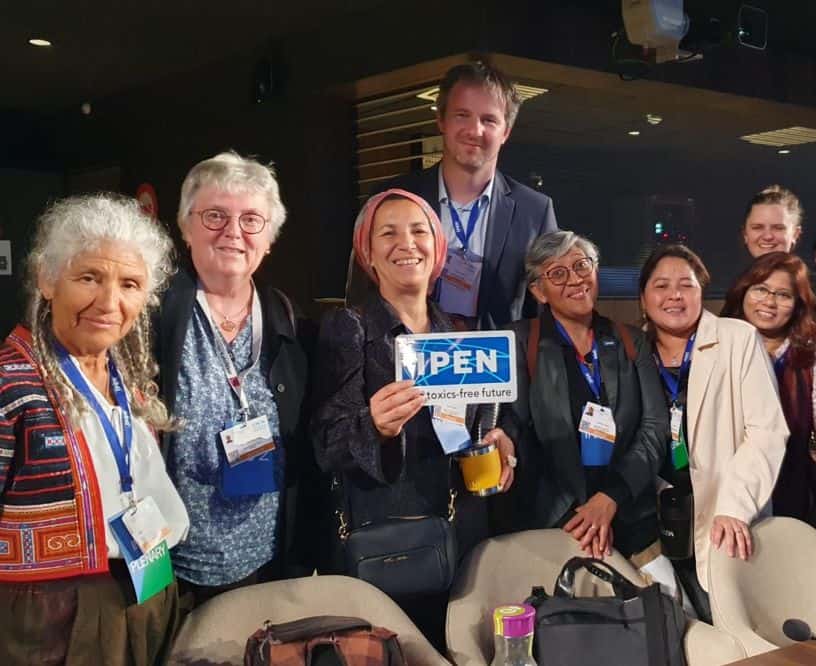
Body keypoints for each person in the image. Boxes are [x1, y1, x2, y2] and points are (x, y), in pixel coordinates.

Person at [311, 189, 516, 648]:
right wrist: (374, 425)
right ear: (368, 252)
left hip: (459, 535)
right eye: (389, 233)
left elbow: (474, 428)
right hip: (385, 541)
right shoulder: (349, 328)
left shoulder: (459, 337)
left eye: (419, 230)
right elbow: (324, 442)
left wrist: (496, 439)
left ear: (438, 248)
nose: (407, 243)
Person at [0, 195, 189, 665]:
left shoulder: (128, 372)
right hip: (51, 616)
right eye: (88, 277)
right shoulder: (9, 383)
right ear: (48, 279)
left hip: (145, 583)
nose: (109, 302)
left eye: (130, 284)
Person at [154, 151, 310, 606]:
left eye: (251, 220)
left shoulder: (288, 319)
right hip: (173, 568)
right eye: (215, 215)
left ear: (270, 237)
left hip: (268, 563)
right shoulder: (152, 316)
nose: (233, 232)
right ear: (186, 226)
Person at [640, 243, 788, 622]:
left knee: (731, 626)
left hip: (722, 513)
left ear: (702, 292)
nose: (674, 295)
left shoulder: (737, 338)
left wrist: (734, 508)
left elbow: (766, 433)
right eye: (661, 286)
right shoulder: (633, 350)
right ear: (643, 298)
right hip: (657, 518)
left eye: (686, 285)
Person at [506, 231, 668, 573]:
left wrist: (610, 499)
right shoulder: (521, 342)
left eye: (582, 266)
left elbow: (654, 430)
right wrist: (580, 517)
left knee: (668, 609)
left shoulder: (630, 340)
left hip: (629, 512)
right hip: (557, 523)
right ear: (538, 291)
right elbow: (515, 429)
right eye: (558, 273)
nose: (576, 280)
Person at [360, 61, 558, 329]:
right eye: (462, 115)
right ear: (441, 120)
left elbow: (547, 308)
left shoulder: (534, 210)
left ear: (506, 132)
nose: (475, 131)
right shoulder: (392, 198)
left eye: (489, 120)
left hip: (499, 365)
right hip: (404, 363)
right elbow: (363, 290)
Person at [721, 252, 816, 561]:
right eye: (760, 289)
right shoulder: (716, 350)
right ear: (743, 292)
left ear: (798, 305)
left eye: (783, 295)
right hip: (723, 499)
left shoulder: (815, 362)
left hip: (791, 500)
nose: (769, 301)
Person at [741, 185, 816, 383]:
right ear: (745, 234)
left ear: (795, 234)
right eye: (758, 227)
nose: (767, 236)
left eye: (778, 228)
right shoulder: (739, 288)